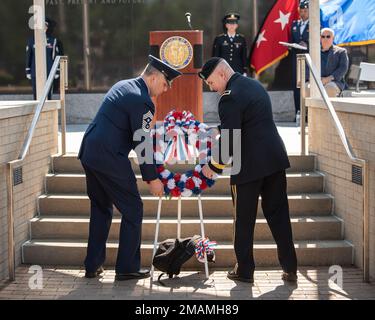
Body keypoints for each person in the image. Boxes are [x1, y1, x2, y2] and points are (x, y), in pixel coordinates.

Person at [78, 55, 182, 280]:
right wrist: (152, 179)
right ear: (154, 78)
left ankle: (92, 265)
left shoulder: (124, 85)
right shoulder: (142, 100)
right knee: (133, 209)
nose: (165, 90)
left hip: (90, 152)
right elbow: (142, 142)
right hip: (109, 157)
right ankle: (126, 268)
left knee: (101, 209)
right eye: (165, 84)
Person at [199, 57, 298, 283]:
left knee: (243, 220)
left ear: (222, 74)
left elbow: (231, 140)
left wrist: (213, 166)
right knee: (280, 215)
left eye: (212, 82)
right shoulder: (253, 84)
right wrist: (218, 128)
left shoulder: (228, 98)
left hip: (249, 166)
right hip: (273, 160)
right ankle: (290, 267)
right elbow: (248, 120)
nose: (212, 88)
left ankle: (244, 270)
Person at [25, 18, 63, 100]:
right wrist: (28, 70)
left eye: (45, 25)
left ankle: (47, 112)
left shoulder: (53, 41)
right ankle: (37, 112)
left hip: (49, 70)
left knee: (48, 94)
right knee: (36, 94)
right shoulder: (32, 40)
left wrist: (57, 71)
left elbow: (56, 57)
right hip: (35, 71)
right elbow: (29, 56)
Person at [311, 27, 349, 97]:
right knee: (307, 88)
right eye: (323, 36)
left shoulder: (341, 52)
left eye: (328, 36)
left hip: (334, 81)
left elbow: (343, 68)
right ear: (320, 38)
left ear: (333, 38)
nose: (325, 38)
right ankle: (309, 108)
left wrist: (328, 79)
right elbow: (308, 68)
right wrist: (316, 79)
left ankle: (326, 108)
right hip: (316, 80)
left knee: (329, 88)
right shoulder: (314, 52)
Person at [290, 0, 309, 119]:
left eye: (305, 11)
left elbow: (318, 42)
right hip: (296, 59)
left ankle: (307, 113)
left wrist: (307, 44)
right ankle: (298, 112)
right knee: (296, 86)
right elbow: (292, 39)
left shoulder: (315, 25)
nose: (303, 13)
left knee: (307, 85)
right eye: (301, 11)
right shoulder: (294, 25)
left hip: (308, 61)